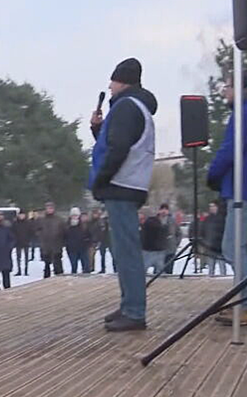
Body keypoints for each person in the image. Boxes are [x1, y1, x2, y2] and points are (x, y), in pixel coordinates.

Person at [88, 57, 158, 332]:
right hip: (130, 184)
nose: (110, 86)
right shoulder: (137, 107)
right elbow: (115, 144)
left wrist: (101, 180)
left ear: (122, 81)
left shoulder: (126, 107)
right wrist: (98, 130)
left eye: (113, 80)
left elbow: (118, 150)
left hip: (122, 186)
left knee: (127, 251)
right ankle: (129, 303)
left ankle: (134, 311)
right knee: (124, 250)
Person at [207, 70, 247, 326]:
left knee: (232, 247)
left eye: (228, 86)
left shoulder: (244, 114)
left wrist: (214, 174)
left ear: (241, 88)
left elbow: (230, 149)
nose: (225, 91)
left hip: (243, 190)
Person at [39, 202, 66, 278]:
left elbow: (64, 231)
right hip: (46, 246)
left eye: (51, 208)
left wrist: (61, 241)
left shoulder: (59, 220)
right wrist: (41, 237)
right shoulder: (41, 220)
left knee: (58, 264)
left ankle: (60, 278)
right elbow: (37, 230)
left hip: (56, 245)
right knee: (47, 265)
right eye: (48, 208)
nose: (49, 210)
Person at [201, 201, 228, 277]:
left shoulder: (223, 218)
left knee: (222, 266)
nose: (211, 208)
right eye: (210, 206)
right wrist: (204, 242)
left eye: (213, 206)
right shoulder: (207, 219)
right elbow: (203, 231)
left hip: (220, 246)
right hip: (210, 246)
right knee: (210, 267)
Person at [65, 210, 92, 274]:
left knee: (86, 266)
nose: (75, 217)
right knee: (74, 266)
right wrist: (67, 244)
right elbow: (64, 236)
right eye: (73, 215)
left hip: (83, 248)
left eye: (76, 215)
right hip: (72, 248)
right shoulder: (67, 226)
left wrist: (88, 242)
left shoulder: (84, 225)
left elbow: (89, 235)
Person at [141, 208, 167, 274]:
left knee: (143, 269)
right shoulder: (157, 224)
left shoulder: (147, 223)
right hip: (158, 249)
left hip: (148, 249)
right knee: (160, 270)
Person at [159, 204, 181, 274]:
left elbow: (179, 233)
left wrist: (175, 243)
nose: (164, 211)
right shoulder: (156, 220)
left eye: (166, 209)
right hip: (159, 249)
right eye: (162, 209)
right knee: (159, 269)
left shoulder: (172, 221)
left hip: (171, 248)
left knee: (169, 268)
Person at [11, 211, 33, 276]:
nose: (21, 216)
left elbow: (31, 232)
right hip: (18, 242)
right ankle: (19, 270)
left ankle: (26, 270)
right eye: (20, 215)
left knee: (26, 257)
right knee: (18, 258)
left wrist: (29, 239)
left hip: (26, 242)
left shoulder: (28, 223)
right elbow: (12, 232)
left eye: (22, 215)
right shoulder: (15, 223)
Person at [87, 208, 105, 273]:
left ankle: (103, 268)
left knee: (102, 255)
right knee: (91, 255)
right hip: (92, 240)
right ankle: (91, 268)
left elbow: (101, 231)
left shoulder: (101, 222)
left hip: (100, 240)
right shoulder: (90, 222)